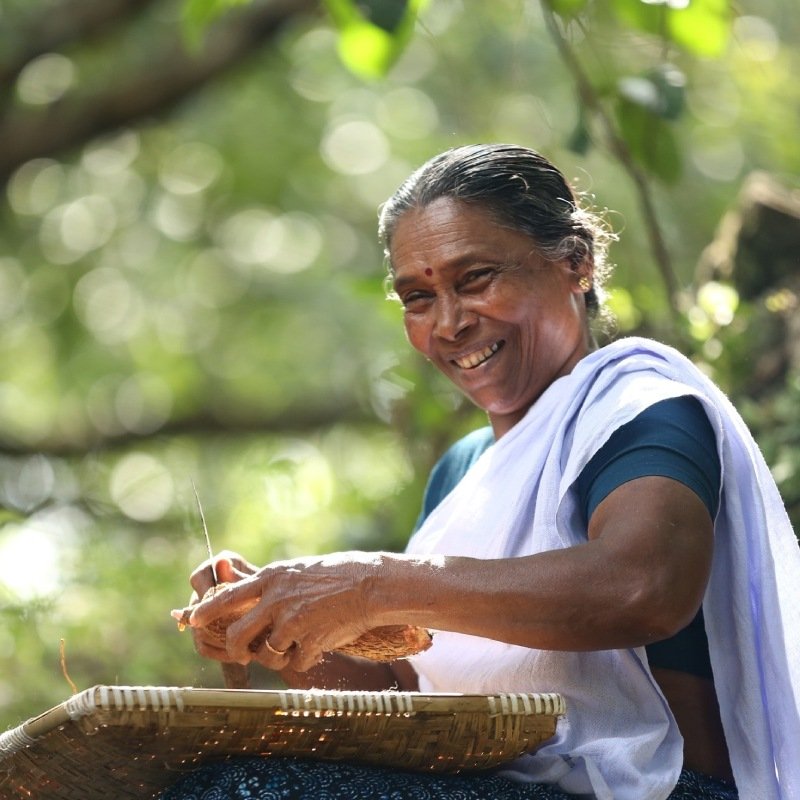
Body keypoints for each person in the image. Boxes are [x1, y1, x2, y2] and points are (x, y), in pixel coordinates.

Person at [166, 144, 800, 800]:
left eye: (476, 280)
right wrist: (287, 627)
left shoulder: (639, 406)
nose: (450, 322)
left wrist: (375, 587)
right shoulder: (463, 470)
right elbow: (409, 691)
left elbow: (644, 586)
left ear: (575, 262)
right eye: (418, 297)